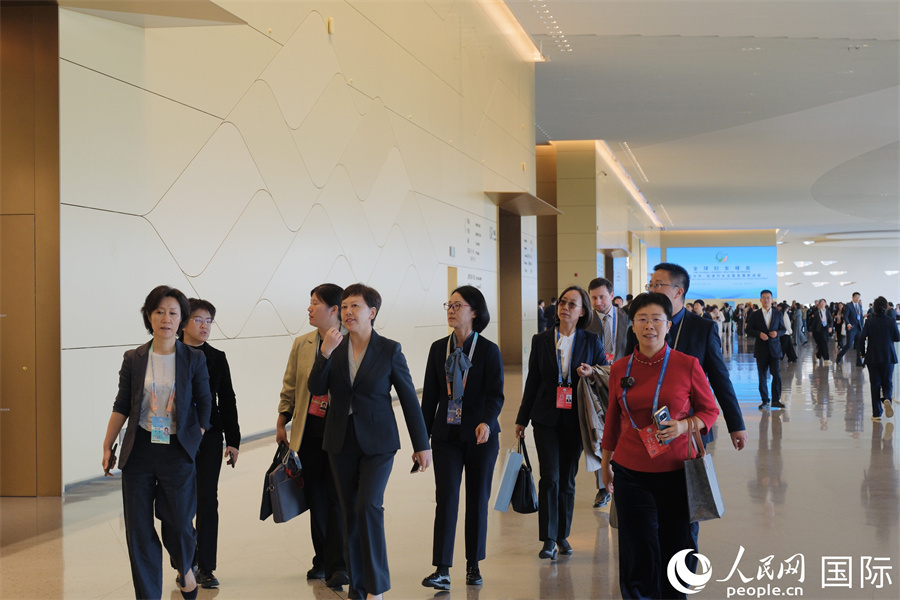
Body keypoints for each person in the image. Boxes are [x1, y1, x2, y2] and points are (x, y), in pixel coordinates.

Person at [308, 283, 432, 600]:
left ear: (372, 312)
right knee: (350, 513)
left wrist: (422, 444)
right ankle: (359, 589)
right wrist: (324, 353)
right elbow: (316, 388)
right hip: (340, 442)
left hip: (379, 443)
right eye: (344, 306)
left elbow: (409, 398)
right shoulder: (334, 346)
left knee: (368, 506)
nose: (348, 312)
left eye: (355, 306)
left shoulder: (389, 350)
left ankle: (375, 587)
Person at [601, 292, 719, 599]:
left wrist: (683, 426)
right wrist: (605, 463)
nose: (649, 325)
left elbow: (709, 411)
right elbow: (612, 420)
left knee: (677, 543)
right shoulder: (620, 369)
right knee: (636, 545)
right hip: (630, 471)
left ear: (668, 325)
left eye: (656, 319)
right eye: (642, 319)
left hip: (677, 470)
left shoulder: (687, 364)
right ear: (632, 325)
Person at [101, 285, 212, 600]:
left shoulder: (193, 358)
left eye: (173, 313)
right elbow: (122, 404)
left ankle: (184, 567)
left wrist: (195, 438)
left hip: (177, 449)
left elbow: (205, 404)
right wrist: (108, 444)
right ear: (149, 316)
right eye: (159, 312)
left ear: (181, 319)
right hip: (140, 448)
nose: (166, 318)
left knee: (178, 521)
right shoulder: (134, 358)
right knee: (138, 529)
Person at [515, 286, 607, 560]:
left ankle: (562, 534)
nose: (565, 307)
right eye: (563, 302)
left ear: (582, 312)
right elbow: (533, 380)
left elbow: (604, 372)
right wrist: (521, 419)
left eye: (572, 304)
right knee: (550, 477)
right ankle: (548, 539)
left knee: (567, 479)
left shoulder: (591, 340)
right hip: (545, 418)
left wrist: (590, 371)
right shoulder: (541, 339)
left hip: (576, 418)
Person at [421, 286, 504, 591]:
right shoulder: (437, 349)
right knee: (446, 499)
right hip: (446, 436)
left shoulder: (488, 350)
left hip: (481, 436)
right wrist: (421, 441)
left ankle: (473, 565)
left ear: (475, 312)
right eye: (449, 305)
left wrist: (487, 422)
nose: (451, 310)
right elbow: (429, 399)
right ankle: (442, 569)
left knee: (477, 499)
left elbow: (496, 395)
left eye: (458, 305)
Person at [630, 263, 747, 451]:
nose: (651, 290)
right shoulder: (639, 328)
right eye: (650, 285)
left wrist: (736, 424)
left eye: (658, 285)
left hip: (689, 427)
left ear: (678, 292)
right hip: (645, 425)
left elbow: (720, 378)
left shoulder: (703, 329)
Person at [276, 284, 348, 587]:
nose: (309, 308)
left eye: (316, 303)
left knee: (337, 499)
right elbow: (291, 386)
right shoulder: (302, 344)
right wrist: (282, 420)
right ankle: (323, 559)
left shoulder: (352, 340)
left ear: (334, 309)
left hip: (342, 434)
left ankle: (338, 562)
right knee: (316, 498)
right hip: (310, 433)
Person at [179, 298, 241, 589]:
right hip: (175, 437)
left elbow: (227, 399)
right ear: (183, 322)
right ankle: (185, 562)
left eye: (209, 321)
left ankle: (206, 566)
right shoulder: (170, 353)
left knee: (206, 499)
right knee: (180, 502)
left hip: (210, 436)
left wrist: (234, 440)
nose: (204, 326)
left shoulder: (217, 357)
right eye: (198, 320)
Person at [585, 277, 628, 508]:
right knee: (599, 435)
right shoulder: (586, 321)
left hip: (626, 383)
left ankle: (625, 481)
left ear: (612, 295)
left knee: (625, 433)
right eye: (593, 298)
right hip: (597, 383)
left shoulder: (628, 318)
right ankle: (602, 487)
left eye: (602, 297)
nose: (598, 302)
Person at [860, 296, 900, 421]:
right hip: (888, 356)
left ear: (875, 307)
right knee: (887, 381)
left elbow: (862, 338)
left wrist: (862, 353)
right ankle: (887, 398)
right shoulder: (891, 321)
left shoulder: (870, 321)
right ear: (886, 307)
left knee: (875, 384)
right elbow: (897, 338)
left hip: (873, 356)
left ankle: (877, 413)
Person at [746, 290, 787, 410]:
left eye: (768, 298)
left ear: (772, 300)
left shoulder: (778, 314)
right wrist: (759, 334)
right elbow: (748, 330)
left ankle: (776, 400)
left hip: (775, 349)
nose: (766, 300)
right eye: (764, 298)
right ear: (760, 300)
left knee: (777, 375)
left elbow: (783, 329)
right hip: (761, 350)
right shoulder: (755, 315)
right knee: (762, 376)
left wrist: (777, 333)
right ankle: (765, 401)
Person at [836, 292, 865, 366]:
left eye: (858, 297)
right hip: (851, 328)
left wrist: (862, 326)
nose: (857, 299)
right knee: (849, 344)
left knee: (859, 345)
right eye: (856, 297)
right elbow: (845, 316)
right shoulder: (849, 305)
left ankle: (859, 362)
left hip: (858, 328)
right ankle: (839, 356)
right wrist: (848, 323)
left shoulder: (859, 306)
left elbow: (861, 317)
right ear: (853, 297)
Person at [811, 298, 834, 364]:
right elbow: (814, 322)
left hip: (826, 328)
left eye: (823, 302)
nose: (822, 304)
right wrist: (811, 330)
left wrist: (830, 327)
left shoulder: (828, 312)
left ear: (825, 304)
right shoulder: (817, 312)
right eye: (821, 303)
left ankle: (817, 355)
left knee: (823, 344)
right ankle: (826, 359)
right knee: (824, 343)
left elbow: (830, 320)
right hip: (819, 329)